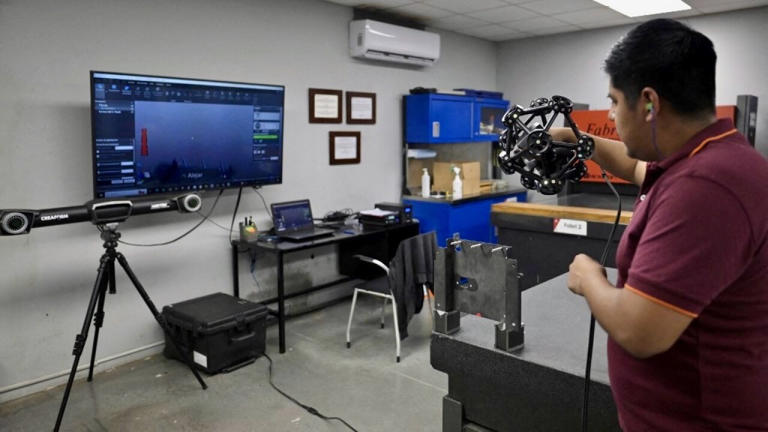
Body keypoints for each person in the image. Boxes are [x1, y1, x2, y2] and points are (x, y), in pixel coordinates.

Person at [556, 19, 768, 430]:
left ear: (649, 103)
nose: (611, 114)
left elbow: (640, 331)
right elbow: (637, 168)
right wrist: (582, 142)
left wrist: (588, 278)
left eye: (615, 101)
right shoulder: (708, 158)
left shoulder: (705, 186)